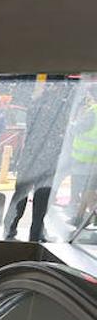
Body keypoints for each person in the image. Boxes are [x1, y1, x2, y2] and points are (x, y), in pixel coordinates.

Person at [4, 80, 72, 241]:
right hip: (46, 158)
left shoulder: (38, 102)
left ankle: (10, 227)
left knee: (22, 194)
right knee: (40, 197)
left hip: (31, 156)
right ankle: (35, 233)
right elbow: (60, 131)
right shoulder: (60, 106)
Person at [67, 87, 97, 229]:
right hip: (90, 158)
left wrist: (72, 125)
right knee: (88, 189)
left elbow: (79, 128)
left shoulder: (93, 111)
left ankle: (92, 218)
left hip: (88, 158)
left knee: (88, 189)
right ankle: (80, 217)